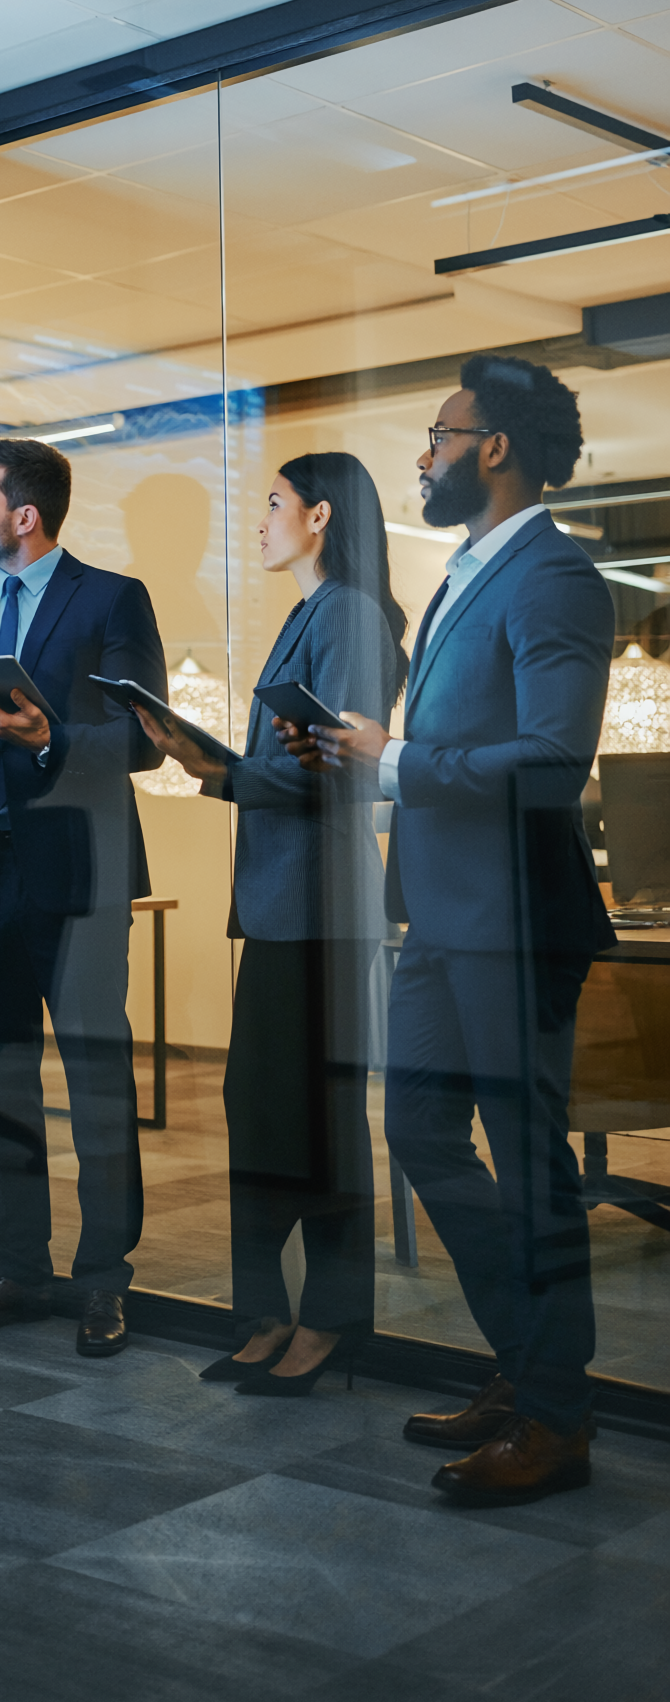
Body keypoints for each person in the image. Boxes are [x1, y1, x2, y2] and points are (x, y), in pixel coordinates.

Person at [285, 356, 615, 1504]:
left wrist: (401, 758)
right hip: (441, 913)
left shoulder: (556, 577)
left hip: (516, 919)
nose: (422, 455)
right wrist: (364, 759)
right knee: (420, 1132)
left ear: (494, 448)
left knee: (533, 1175)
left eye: (438, 433)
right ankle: (525, 1368)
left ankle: (558, 1419)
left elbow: (555, 761)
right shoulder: (465, 571)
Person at [132, 454, 405, 1396]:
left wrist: (220, 771)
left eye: (275, 505)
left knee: (315, 1122)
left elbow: (346, 766)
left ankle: (329, 1320)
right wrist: (211, 758)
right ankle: (267, 1312)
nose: (261, 523)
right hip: (288, 906)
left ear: (320, 516)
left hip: (323, 911)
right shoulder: (306, 615)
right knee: (261, 1110)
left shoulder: (354, 619)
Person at [0, 437, 166, 1359]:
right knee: (1, 1084)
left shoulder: (111, 599)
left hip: (81, 876)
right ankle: (19, 1268)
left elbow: (142, 742)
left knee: (99, 1085)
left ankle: (105, 1279)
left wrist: (46, 737)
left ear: (24, 516)